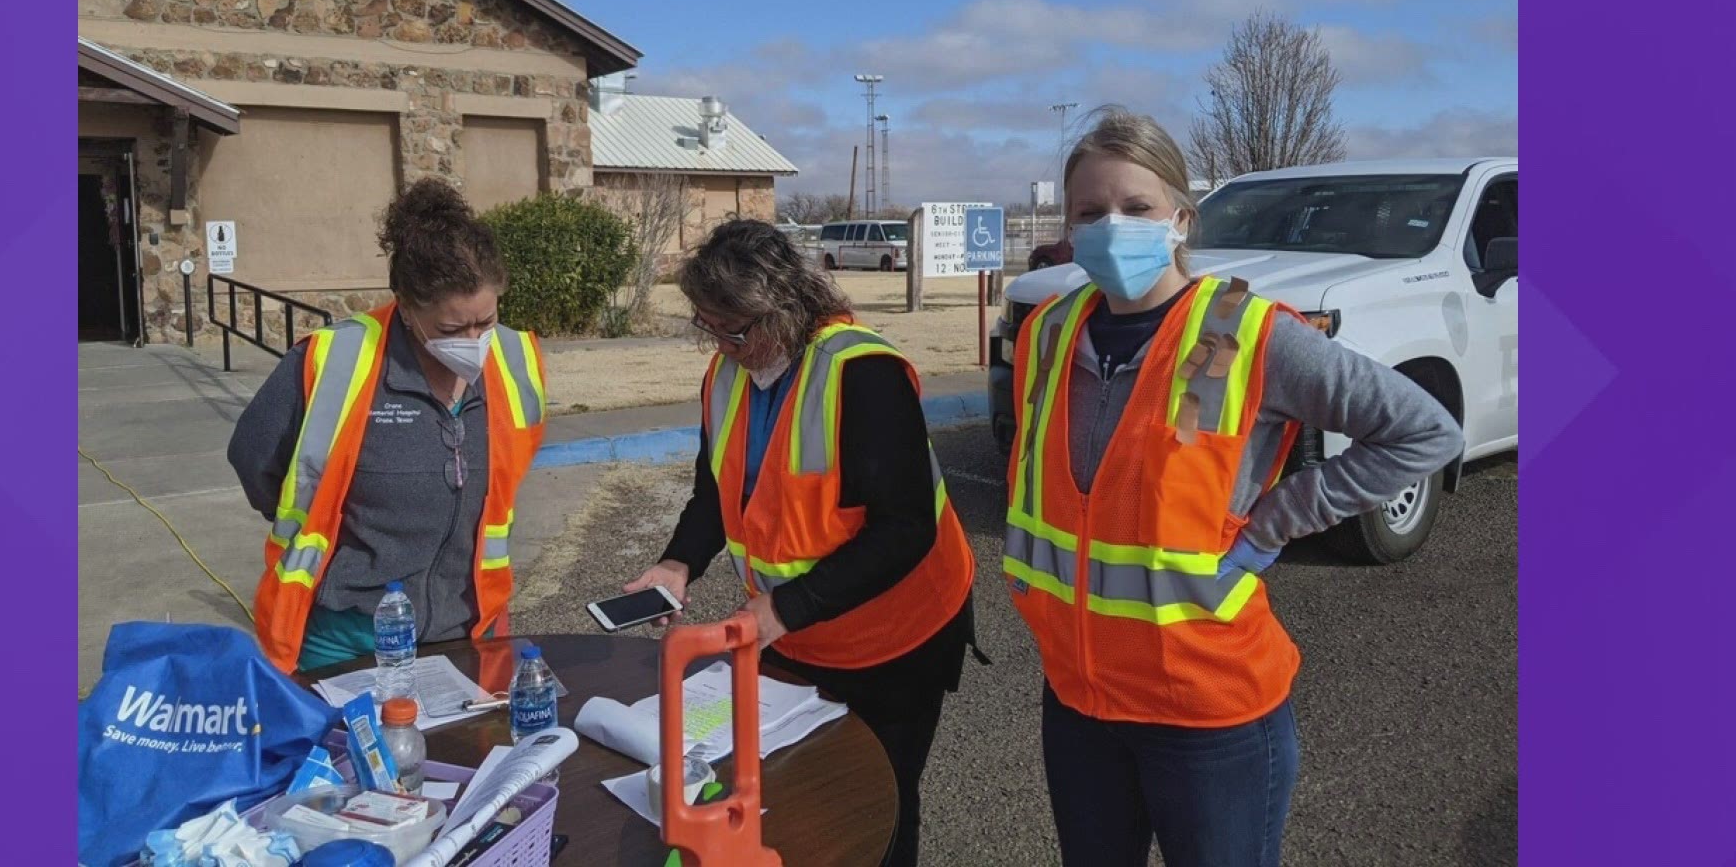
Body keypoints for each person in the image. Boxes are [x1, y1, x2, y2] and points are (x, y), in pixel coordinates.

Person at [1005, 107, 1465, 867]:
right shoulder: (1048, 334)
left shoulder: (1251, 333)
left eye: (1137, 208)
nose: (1111, 226)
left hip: (1207, 715)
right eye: (1090, 212)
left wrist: (1275, 520)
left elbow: (1425, 431)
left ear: (1181, 219)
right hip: (1080, 702)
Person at [624, 220, 980, 867]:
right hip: (800, 637)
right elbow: (716, 494)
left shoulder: (864, 373)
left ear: (782, 307)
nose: (724, 344)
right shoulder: (726, 376)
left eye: (735, 329)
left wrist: (782, 609)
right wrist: (677, 563)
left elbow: (906, 528)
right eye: (708, 327)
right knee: (805, 806)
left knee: (879, 812)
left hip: (898, 640)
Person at [228, 178, 548, 675]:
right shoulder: (332, 361)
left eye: (485, 321)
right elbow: (255, 460)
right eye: (450, 329)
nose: (473, 340)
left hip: (469, 630)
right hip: (347, 639)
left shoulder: (515, 360)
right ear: (404, 303)